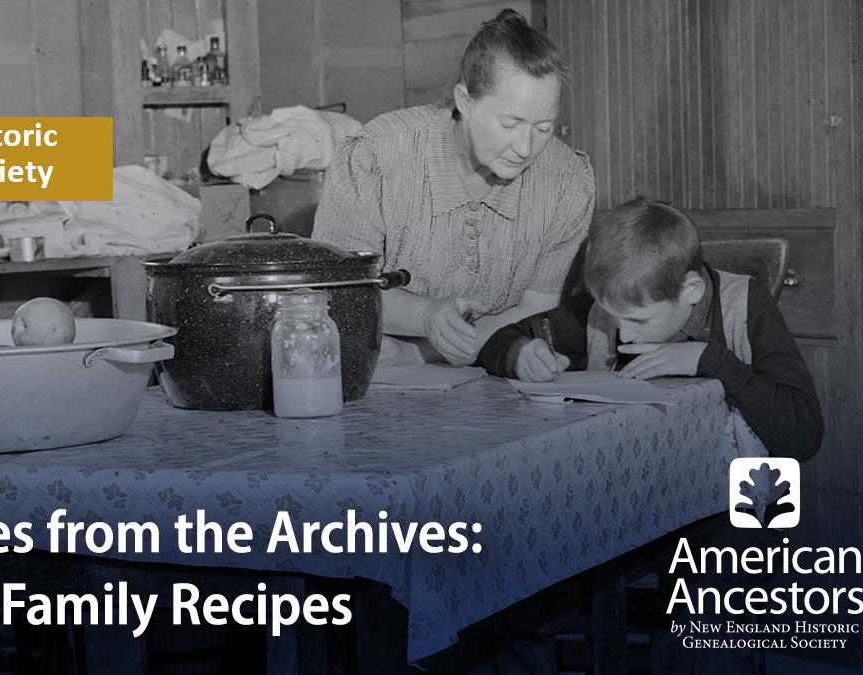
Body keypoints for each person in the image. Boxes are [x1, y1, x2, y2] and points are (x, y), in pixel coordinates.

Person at [313, 9, 595, 366]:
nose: (526, 147)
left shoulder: (567, 180)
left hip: (491, 365)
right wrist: (425, 316)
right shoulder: (377, 154)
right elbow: (341, 291)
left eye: (543, 128)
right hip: (380, 372)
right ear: (464, 100)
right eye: (510, 123)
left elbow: (537, 307)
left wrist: (424, 354)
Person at [477, 196, 823, 460]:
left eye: (639, 321)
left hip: (725, 505)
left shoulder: (745, 304)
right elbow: (500, 341)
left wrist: (713, 361)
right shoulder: (608, 307)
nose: (624, 335)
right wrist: (519, 353)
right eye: (616, 319)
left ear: (691, 291)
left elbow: (804, 436)